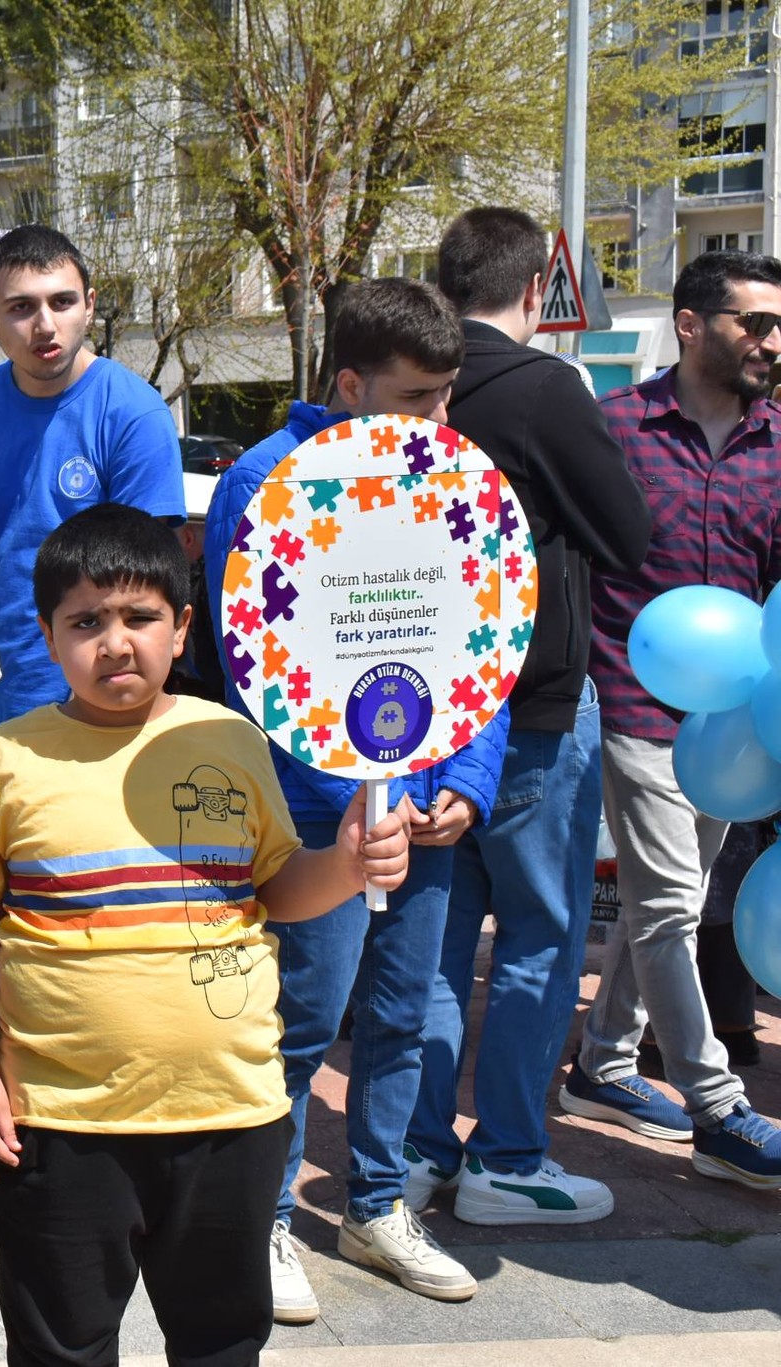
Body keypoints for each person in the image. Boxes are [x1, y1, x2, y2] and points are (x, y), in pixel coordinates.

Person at [0, 503, 409, 1367]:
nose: (115, 642)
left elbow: (278, 884)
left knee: (221, 1341)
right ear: (47, 635)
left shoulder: (229, 737)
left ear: (183, 625)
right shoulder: (2, 758)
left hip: (230, 1113)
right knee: (59, 1346)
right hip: (60, 1121)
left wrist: (347, 864)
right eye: (86, 621)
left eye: (139, 616)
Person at [204, 278, 508, 1321]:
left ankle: (376, 1204)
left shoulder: (455, 477)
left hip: (421, 811)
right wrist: (354, 803)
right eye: (415, 396)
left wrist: (461, 781)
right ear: (348, 384)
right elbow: (262, 668)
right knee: (301, 1018)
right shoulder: (264, 481)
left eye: (446, 394)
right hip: (315, 817)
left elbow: (482, 642)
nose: (437, 418)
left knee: (402, 1014)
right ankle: (263, 1214)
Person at [400, 207, 652, 1227]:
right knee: (538, 936)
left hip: (419, 707)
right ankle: (506, 1157)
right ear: (535, 285)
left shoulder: (408, 381)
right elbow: (626, 533)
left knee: (434, 940)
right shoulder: (544, 388)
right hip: (532, 704)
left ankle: (412, 1149)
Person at [560, 248, 781, 1189]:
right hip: (631, 699)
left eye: (780, 325)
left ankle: (602, 1064)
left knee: (672, 904)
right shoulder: (614, 428)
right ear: (690, 325)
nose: (773, 342)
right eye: (755, 323)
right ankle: (718, 1106)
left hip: (734, 727)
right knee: (667, 905)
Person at [0, 226, 184, 819]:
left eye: (62, 302)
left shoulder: (133, 413)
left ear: (89, 306)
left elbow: (154, 584)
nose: (45, 325)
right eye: (21, 307)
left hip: (102, 713)